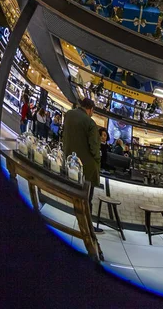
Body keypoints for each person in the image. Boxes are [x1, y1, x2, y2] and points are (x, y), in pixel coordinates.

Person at [62, 98, 101, 232]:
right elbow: (94, 148)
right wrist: (97, 159)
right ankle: (88, 225)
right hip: (86, 166)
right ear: (90, 109)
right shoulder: (89, 122)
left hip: (69, 160)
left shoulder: (68, 115)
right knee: (87, 197)